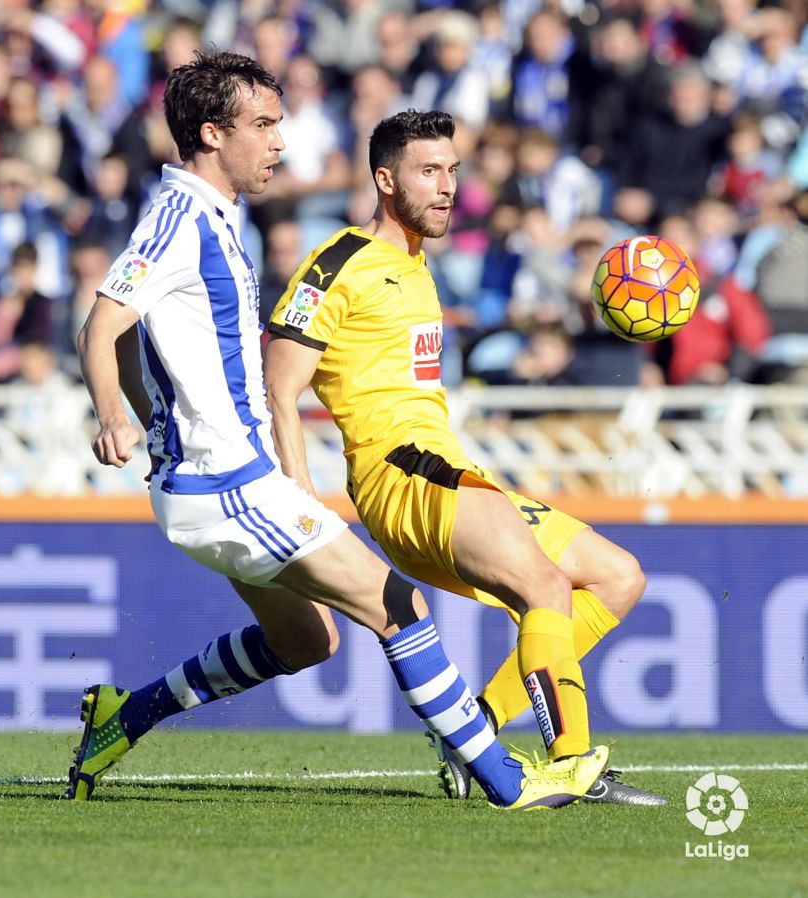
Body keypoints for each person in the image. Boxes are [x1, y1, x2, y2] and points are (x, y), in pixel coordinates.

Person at [67, 51, 609, 809]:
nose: (279, 142)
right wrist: (117, 415)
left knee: (306, 641)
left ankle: (125, 715)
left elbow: (128, 337)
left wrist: (153, 415)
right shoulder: (181, 216)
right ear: (211, 133)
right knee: (400, 607)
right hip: (227, 481)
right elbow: (102, 324)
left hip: (211, 482)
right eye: (262, 125)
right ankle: (508, 781)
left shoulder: (215, 215)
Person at [264, 109, 665, 806]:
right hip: (402, 476)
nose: (447, 186)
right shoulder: (339, 263)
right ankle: (570, 763)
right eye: (429, 171)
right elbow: (279, 381)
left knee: (617, 579)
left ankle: (474, 731)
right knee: (543, 589)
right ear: (385, 180)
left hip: (445, 468)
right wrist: (301, 500)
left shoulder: (417, 264)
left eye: (452, 170)